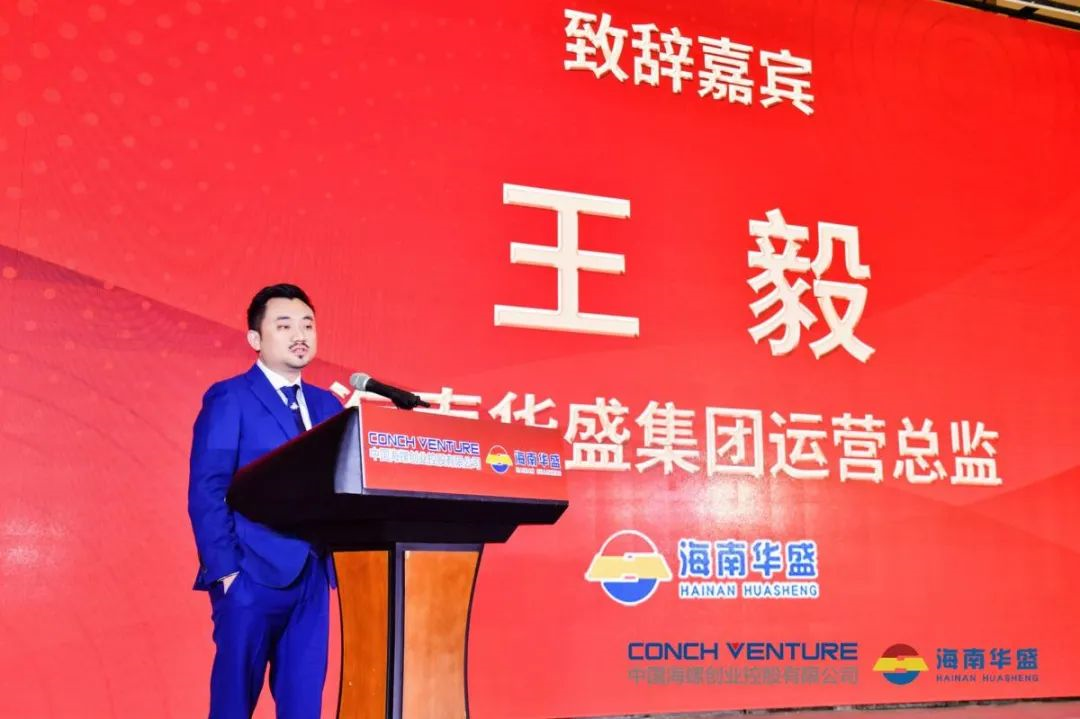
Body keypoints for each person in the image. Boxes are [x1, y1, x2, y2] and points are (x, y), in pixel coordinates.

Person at [188, 283, 343, 718]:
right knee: (233, 706)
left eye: (308, 325)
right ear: (255, 338)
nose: (300, 335)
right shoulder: (230, 397)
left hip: (312, 576)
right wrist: (226, 573)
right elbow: (207, 489)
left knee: (303, 706)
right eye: (285, 325)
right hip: (250, 575)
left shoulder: (328, 405)